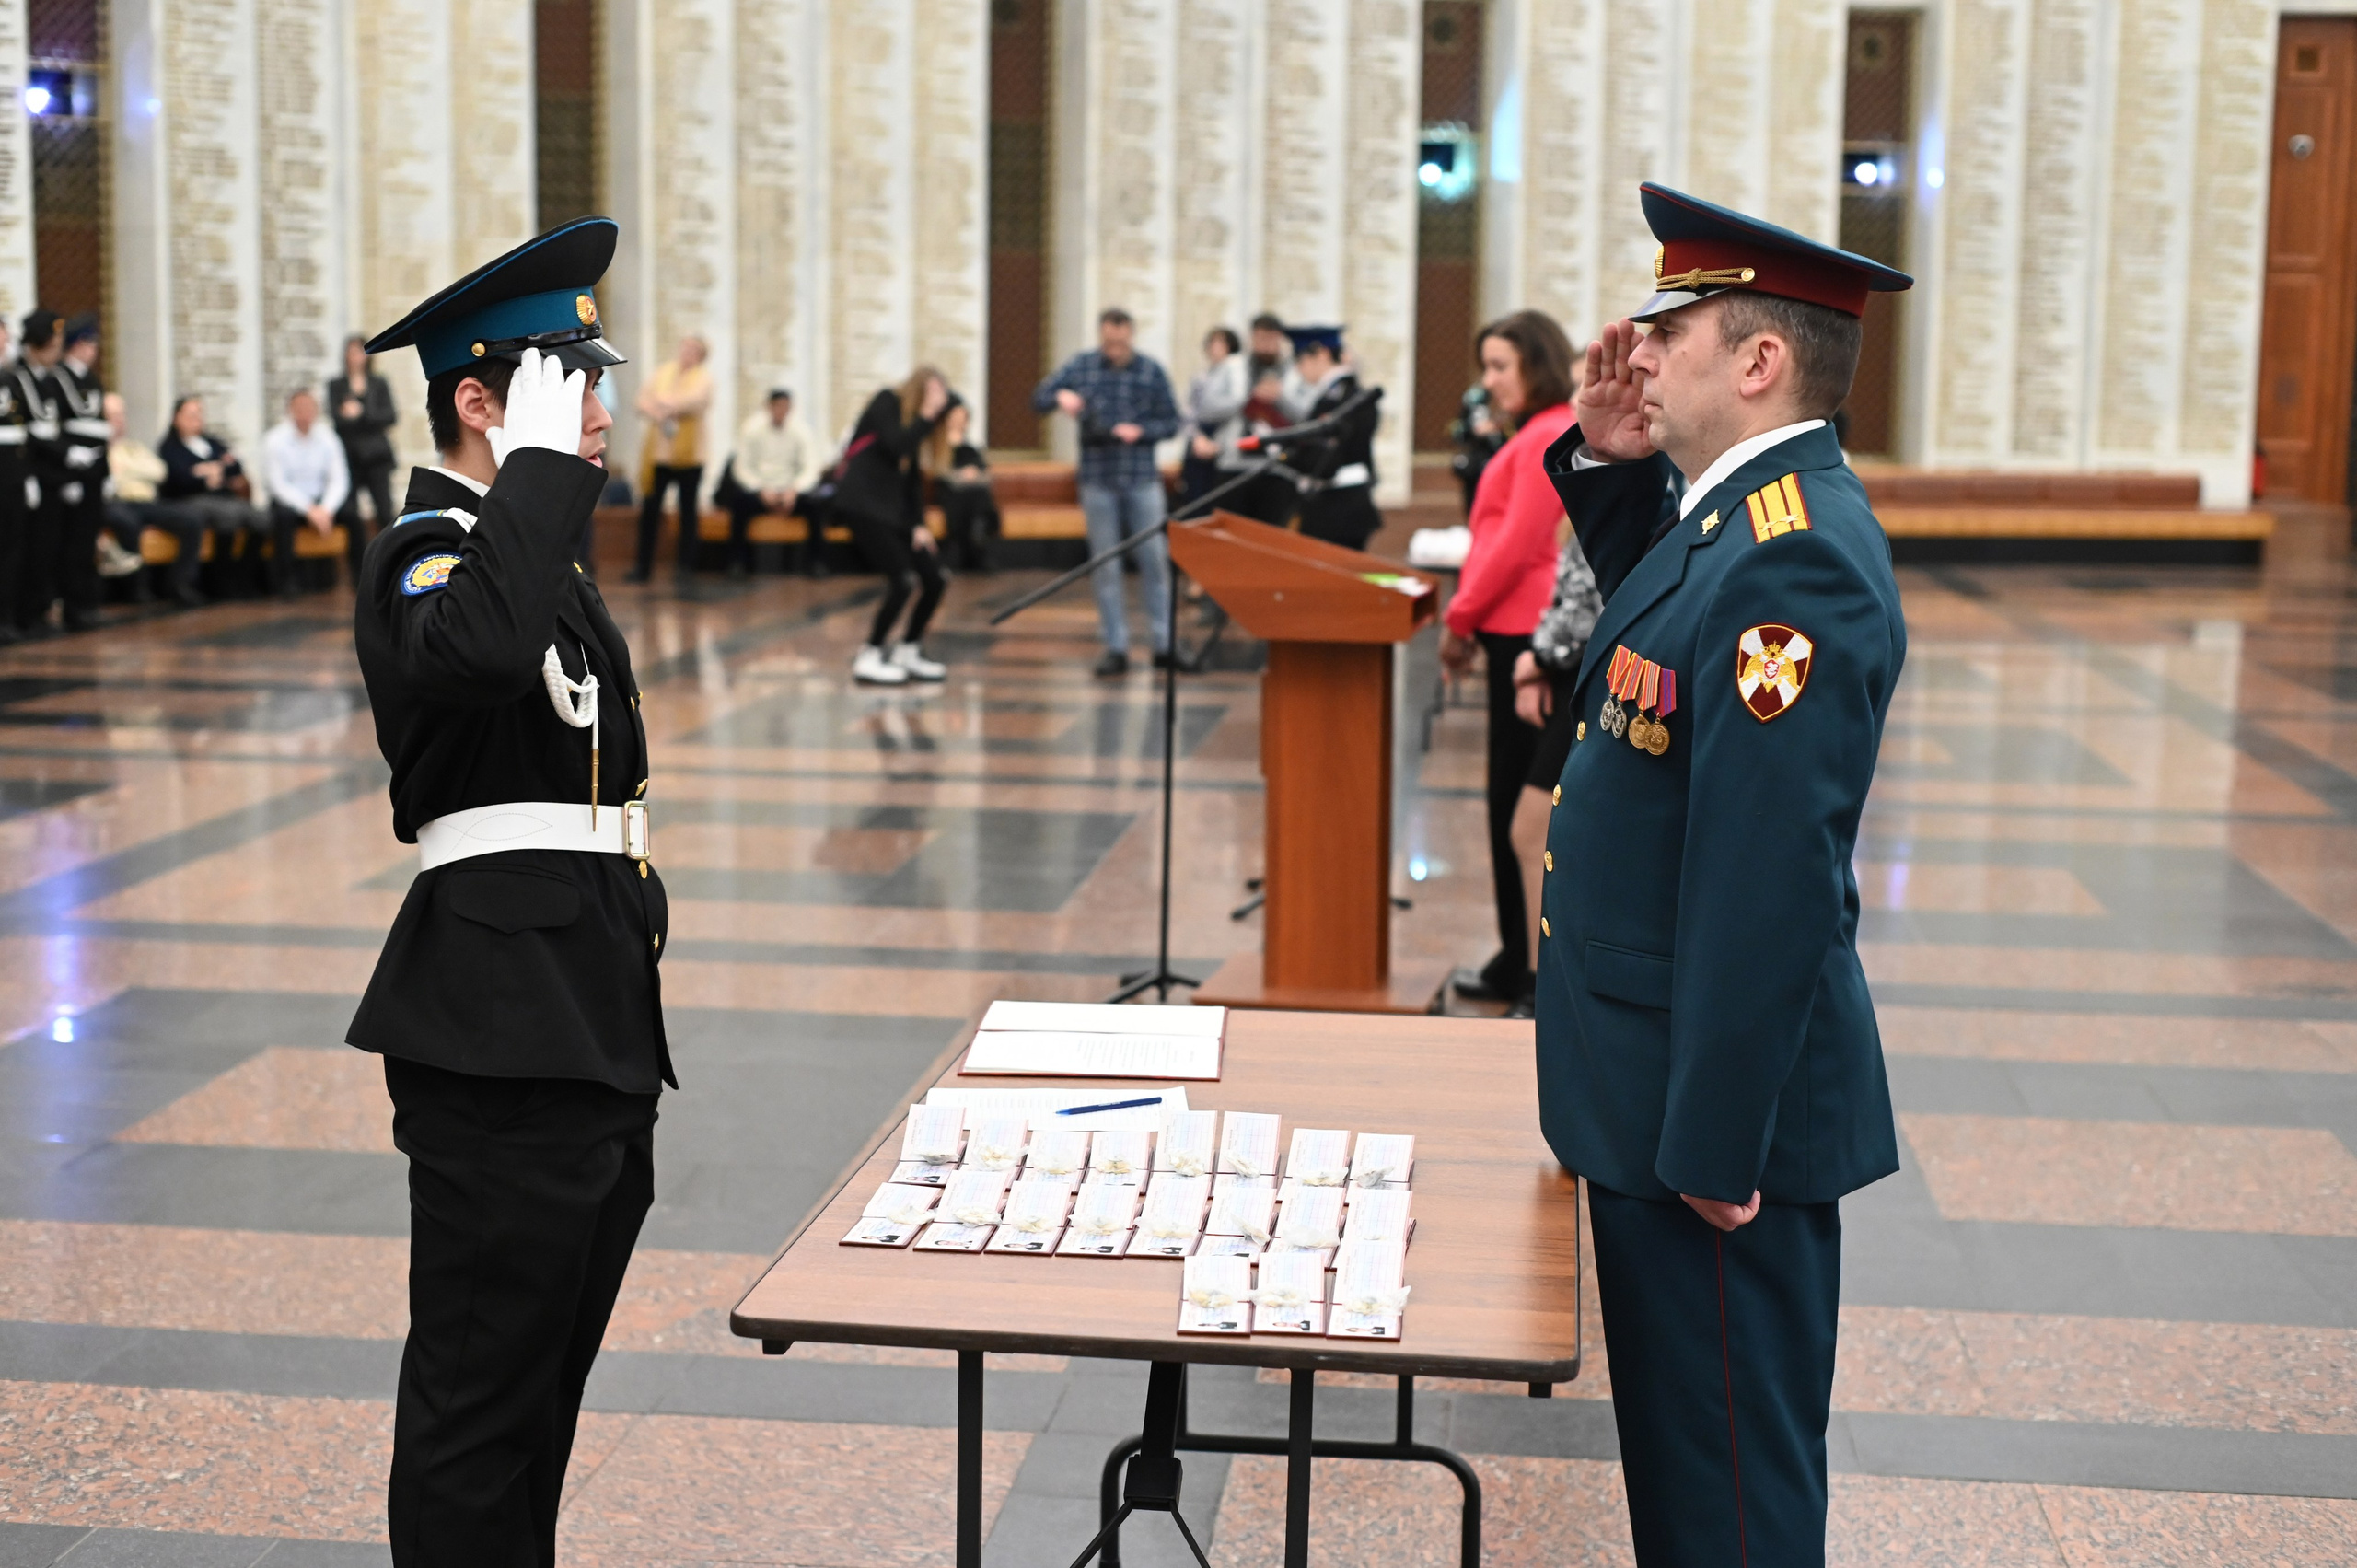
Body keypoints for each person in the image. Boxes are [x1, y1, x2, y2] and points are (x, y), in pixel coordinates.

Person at [1534, 183, 1911, 1567]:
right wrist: (1608, 457)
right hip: (1661, 1094)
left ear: (1757, 362)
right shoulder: (1737, 517)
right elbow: (1663, 638)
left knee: (1731, 1508)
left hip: (1709, 1131)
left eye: (1668, 330)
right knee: (1696, 1481)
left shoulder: (1796, 557)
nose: (1636, 349)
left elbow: (1770, 878)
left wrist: (1711, 1144)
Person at [348, 215, 668, 1568]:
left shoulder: (529, 550)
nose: (599, 412)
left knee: (540, 1395)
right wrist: (535, 473)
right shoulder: (426, 548)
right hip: (497, 1027)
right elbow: (475, 658)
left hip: (582, 1013)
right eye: (568, 383)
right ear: (482, 405)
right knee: (478, 1404)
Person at [1437, 310, 1581, 1011]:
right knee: (1502, 797)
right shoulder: (1531, 432)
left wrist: (1459, 617)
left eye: (1500, 366)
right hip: (1510, 626)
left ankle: (1531, 964)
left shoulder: (1548, 430)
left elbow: (1516, 543)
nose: (1489, 381)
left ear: (1537, 365)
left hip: (1525, 629)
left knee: (1521, 804)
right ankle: (1510, 952)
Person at [1032, 308, 1182, 677]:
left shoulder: (1150, 371)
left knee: (1154, 561)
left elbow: (1172, 422)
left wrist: (1141, 432)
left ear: (1131, 336)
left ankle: (1164, 643)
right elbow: (1038, 399)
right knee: (1106, 566)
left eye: (1120, 341)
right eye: (1108, 342)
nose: (1114, 348)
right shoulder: (1082, 366)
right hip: (1098, 481)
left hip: (1141, 479)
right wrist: (1061, 397)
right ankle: (1116, 646)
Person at [834, 366, 952, 685]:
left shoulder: (917, 427)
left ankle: (908, 650)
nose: (937, 402)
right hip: (862, 505)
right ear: (919, 388)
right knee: (903, 580)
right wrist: (926, 415)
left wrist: (919, 525)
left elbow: (911, 480)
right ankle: (869, 655)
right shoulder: (887, 402)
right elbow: (896, 446)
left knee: (935, 577)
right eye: (933, 391)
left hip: (892, 512)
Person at [1274, 324, 1382, 552]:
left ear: (1322, 355)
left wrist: (1282, 453)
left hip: (1339, 508)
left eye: (1301, 360)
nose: (1299, 369)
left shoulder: (1341, 398)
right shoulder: (1335, 395)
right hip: (1336, 505)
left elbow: (1324, 458)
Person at [103, 392, 207, 608]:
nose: (119, 421)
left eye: (122, 415)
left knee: (191, 518)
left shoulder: (133, 447)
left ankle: (179, 584)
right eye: (112, 416)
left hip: (147, 503)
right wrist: (134, 473)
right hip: (116, 503)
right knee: (127, 523)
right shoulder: (98, 449)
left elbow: (159, 471)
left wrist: (127, 471)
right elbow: (111, 481)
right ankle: (137, 587)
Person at [45, 316, 110, 632]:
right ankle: (72, 605)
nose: (92, 350)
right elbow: (56, 430)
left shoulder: (91, 380)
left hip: (94, 471)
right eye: (88, 343)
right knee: (72, 543)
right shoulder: (58, 379)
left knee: (88, 542)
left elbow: (100, 429)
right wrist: (68, 474)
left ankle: (87, 602)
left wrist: (106, 472)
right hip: (72, 471)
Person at [630, 334, 711, 582]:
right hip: (660, 455)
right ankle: (643, 567)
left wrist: (662, 403)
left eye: (693, 350)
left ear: (701, 355)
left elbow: (695, 401)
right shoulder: (663, 372)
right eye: (685, 347)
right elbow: (640, 401)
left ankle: (686, 568)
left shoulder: (704, 378)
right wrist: (661, 407)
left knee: (687, 512)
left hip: (690, 457)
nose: (687, 353)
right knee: (650, 510)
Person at [158, 396, 260, 595]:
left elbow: (235, 465)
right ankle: (220, 580)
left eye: (199, 414)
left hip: (224, 497)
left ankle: (245, 576)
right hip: (190, 499)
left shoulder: (212, 442)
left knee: (260, 519)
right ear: (176, 418)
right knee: (228, 517)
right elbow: (178, 477)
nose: (197, 419)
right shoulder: (170, 447)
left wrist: (212, 470)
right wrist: (205, 477)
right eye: (191, 415)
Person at [721, 386, 823, 577]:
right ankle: (737, 562)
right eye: (778, 406)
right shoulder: (752, 429)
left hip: (789, 491)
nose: (781, 411)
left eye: (786, 407)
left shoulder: (801, 431)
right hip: (762, 490)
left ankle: (816, 563)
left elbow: (810, 467)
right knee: (739, 505)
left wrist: (795, 490)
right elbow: (742, 467)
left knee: (815, 506)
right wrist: (760, 489)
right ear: (769, 407)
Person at [262, 387, 352, 597]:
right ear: (290, 410)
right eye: (300, 408)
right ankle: (286, 582)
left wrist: (326, 509)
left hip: (322, 502)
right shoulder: (274, 439)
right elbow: (278, 484)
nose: (305, 413)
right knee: (282, 518)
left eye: (309, 407)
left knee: (352, 515)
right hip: (291, 502)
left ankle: (362, 579)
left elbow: (339, 479)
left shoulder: (328, 437)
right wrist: (309, 509)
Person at [10, 310, 65, 634]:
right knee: (28, 549)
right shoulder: (18, 378)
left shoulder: (50, 379)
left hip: (53, 474)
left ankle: (41, 608)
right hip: (30, 471)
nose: (56, 351)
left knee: (47, 548)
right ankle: (24, 613)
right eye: (52, 344)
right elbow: (25, 431)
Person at [331, 333, 400, 583]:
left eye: (360, 351)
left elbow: (390, 416)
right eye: (351, 352)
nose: (355, 357)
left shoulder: (378, 383)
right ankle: (358, 574)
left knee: (384, 511)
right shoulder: (337, 385)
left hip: (377, 458)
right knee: (351, 514)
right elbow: (336, 420)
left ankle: (392, 566)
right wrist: (354, 418)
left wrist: (360, 413)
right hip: (349, 459)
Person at [1178, 326, 1247, 511]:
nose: (1215, 347)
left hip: (1221, 441)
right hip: (1199, 439)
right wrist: (1196, 437)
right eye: (1213, 342)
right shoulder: (1201, 376)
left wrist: (1216, 442)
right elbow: (1188, 411)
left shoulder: (1236, 368)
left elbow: (1237, 403)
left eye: (1221, 342)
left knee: (1216, 502)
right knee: (1193, 499)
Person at [933, 400, 999, 571]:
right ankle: (975, 543)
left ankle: (977, 534)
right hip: (950, 493)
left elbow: (986, 475)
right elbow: (940, 473)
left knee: (978, 494)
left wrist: (973, 475)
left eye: (963, 419)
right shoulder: (938, 447)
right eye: (955, 418)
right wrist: (962, 475)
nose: (959, 423)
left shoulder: (971, 449)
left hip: (972, 492)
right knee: (970, 497)